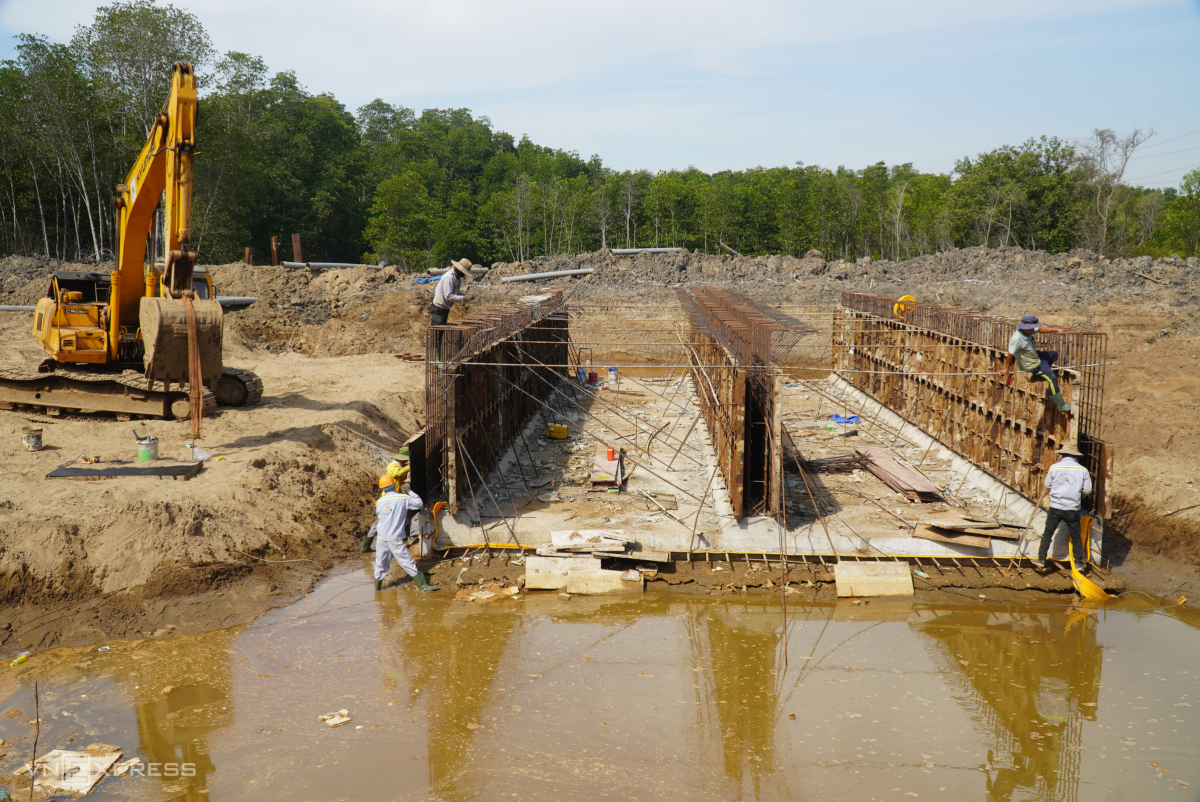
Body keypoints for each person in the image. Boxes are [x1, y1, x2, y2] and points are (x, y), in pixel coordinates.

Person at [1032, 442, 1093, 572]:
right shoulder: (1083, 470)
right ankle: (1078, 563)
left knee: (1048, 533)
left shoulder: (1054, 468)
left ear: (1063, 454)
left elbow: (1048, 485)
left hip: (1055, 507)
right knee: (1076, 536)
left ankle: (1041, 559)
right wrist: (1077, 497)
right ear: (1075, 456)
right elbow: (1087, 490)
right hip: (1072, 508)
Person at [373, 475, 439, 592]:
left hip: (381, 536)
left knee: (380, 562)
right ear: (394, 485)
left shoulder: (379, 502)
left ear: (383, 489)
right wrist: (409, 490)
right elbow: (418, 503)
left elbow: (380, 515)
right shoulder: (402, 498)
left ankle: (377, 588)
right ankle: (422, 586)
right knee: (406, 560)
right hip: (394, 536)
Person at [999, 313, 1071, 413]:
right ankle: (1061, 404)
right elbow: (1010, 354)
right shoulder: (1017, 338)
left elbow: (1041, 329)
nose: (1034, 329)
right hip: (1032, 365)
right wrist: (1006, 369)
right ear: (1025, 327)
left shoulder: (1028, 331)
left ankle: (1038, 376)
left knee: (1053, 354)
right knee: (1052, 378)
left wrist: (1057, 330)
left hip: (1035, 356)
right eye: (1032, 327)